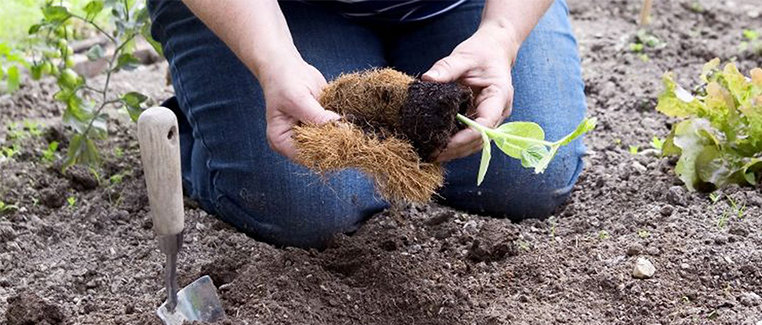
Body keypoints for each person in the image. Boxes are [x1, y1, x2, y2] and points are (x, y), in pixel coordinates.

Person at [147, 0, 587, 248]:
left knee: (529, 177)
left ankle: (387, 68)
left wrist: (502, 33)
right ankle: (204, 127)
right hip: (273, 13)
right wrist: (271, 57)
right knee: (311, 205)